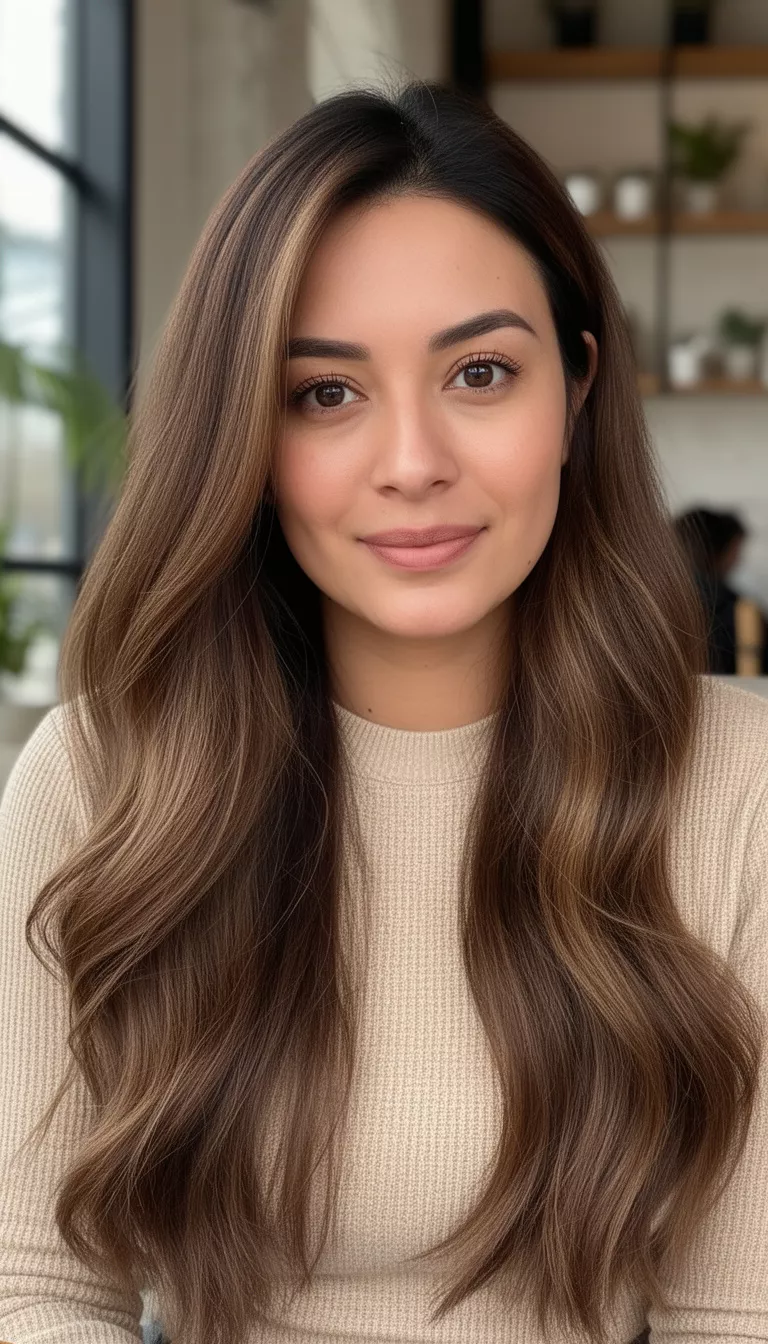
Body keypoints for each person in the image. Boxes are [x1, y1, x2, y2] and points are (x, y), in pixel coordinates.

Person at [1, 77, 767, 1344]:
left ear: (575, 391)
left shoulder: (732, 784)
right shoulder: (106, 773)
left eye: (479, 372)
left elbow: (737, 1314)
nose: (413, 460)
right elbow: (38, 1285)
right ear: (244, 429)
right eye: (326, 394)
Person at [673, 507, 767, 674]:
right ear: (718, 550)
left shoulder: (651, 598)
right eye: (736, 552)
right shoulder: (739, 609)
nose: (738, 561)